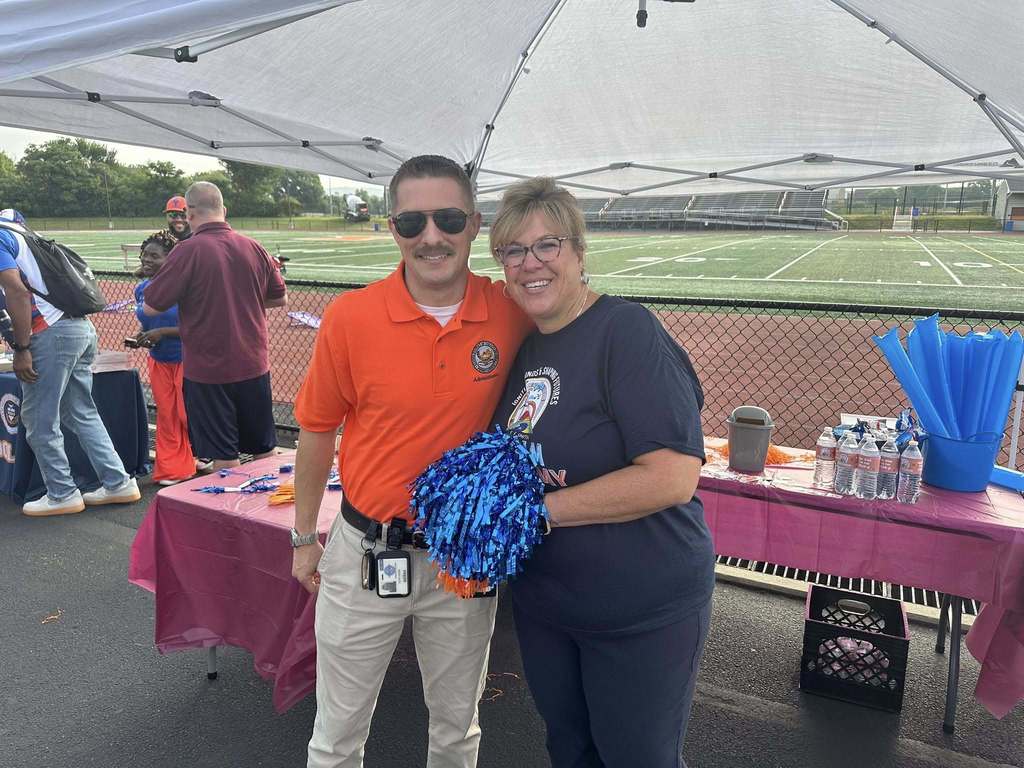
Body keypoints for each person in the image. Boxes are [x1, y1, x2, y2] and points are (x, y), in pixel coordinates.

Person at [291, 154, 531, 768]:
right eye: (412, 222)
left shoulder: (511, 312)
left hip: (463, 555)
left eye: (449, 218)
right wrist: (302, 537)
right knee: (336, 735)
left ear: (475, 223)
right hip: (365, 549)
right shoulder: (351, 316)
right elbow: (317, 430)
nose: (432, 237)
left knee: (457, 730)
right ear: (391, 226)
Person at [489, 178, 714, 768]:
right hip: (548, 608)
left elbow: (672, 477)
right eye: (514, 251)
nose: (530, 263)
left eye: (547, 246)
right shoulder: (526, 347)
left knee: (637, 757)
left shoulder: (626, 331)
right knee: (570, 750)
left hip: (640, 607)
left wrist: (538, 514)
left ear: (579, 253)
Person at [0, 208, 140, 516]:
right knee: (80, 411)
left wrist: (22, 348)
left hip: (50, 335)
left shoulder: (0, 238)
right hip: (79, 328)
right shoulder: (26, 236)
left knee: (39, 419)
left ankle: (62, 492)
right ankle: (118, 483)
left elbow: (16, 291)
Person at [143, 182, 287, 470]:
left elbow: (152, 306)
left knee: (224, 456)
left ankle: (229, 514)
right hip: (253, 364)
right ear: (224, 210)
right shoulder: (254, 247)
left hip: (209, 371)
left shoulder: (187, 251)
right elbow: (278, 298)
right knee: (263, 451)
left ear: (190, 213)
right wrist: (241, 300)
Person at [133, 231, 197, 485]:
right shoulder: (142, 289)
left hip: (188, 359)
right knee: (167, 416)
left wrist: (162, 333)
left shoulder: (186, 290)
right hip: (159, 360)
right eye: (145, 254)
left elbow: (199, 328)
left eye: (154, 256)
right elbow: (148, 320)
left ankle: (202, 453)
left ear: (170, 260)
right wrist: (142, 335)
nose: (146, 259)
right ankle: (174, 469)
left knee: (185, 414)